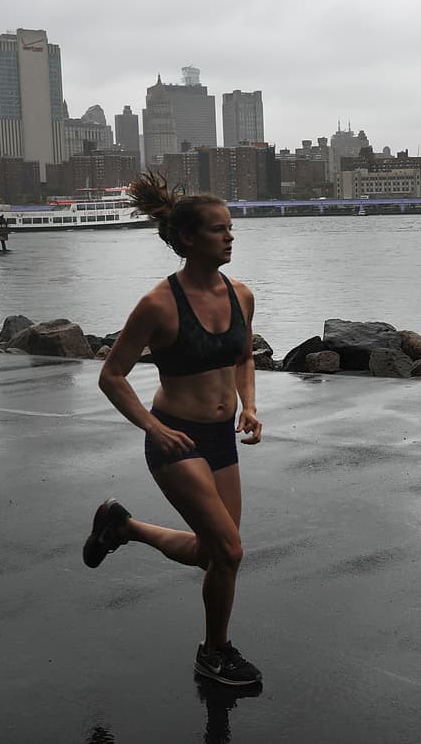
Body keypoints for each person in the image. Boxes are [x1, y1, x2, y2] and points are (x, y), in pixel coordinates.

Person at [83, 172, 264, 687]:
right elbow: (111, 376)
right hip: (175, 438)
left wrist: (247, 405)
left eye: (231, 229)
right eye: (217, 230)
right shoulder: (158, 305)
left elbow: (244, 358)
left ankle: (123, 526)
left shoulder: (242, 295)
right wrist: (152, 428)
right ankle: (215, 652)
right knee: (230, 551)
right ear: (187, 239)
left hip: (221, 437)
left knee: (213, 552)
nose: (229, 237)